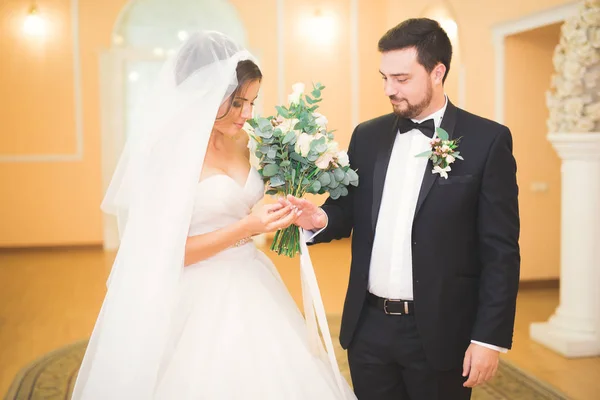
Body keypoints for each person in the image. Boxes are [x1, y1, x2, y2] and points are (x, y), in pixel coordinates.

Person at [72, 31, 356, 400]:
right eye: (238, 103)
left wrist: (279, 201)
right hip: (196, 292)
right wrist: (247, 227)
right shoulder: (167, 156)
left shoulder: (241, 140)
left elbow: (240, 197)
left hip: (251, 277)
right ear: (205, 95)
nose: (248, 114)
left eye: (252, 102)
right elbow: (168, 255)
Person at [288, 18, 520, 400]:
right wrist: (321, 218)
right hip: (368, 329)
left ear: (437, 72)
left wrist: (488, 339)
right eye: (384, 78)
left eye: (401, 78)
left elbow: (501, 251)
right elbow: (346, 209)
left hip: (442, 332)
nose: (388, 90)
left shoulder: (487, 141)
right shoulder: (368, 135)